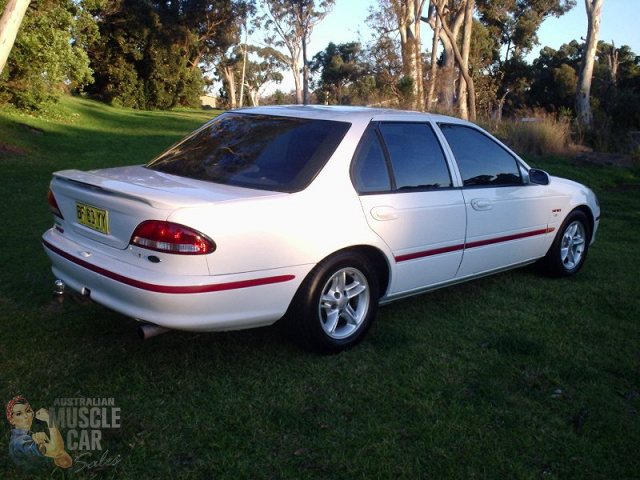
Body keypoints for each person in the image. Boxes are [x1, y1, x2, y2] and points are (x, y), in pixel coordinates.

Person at [6, 395, 72, 471]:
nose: (25, 416)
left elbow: (66, 462)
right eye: (19, 414)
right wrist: (49, 420)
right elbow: (58, 451)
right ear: (12, 420)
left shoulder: (31, 436)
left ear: (32, 413)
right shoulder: (19, 442)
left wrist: (49, 444)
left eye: (27, 411)